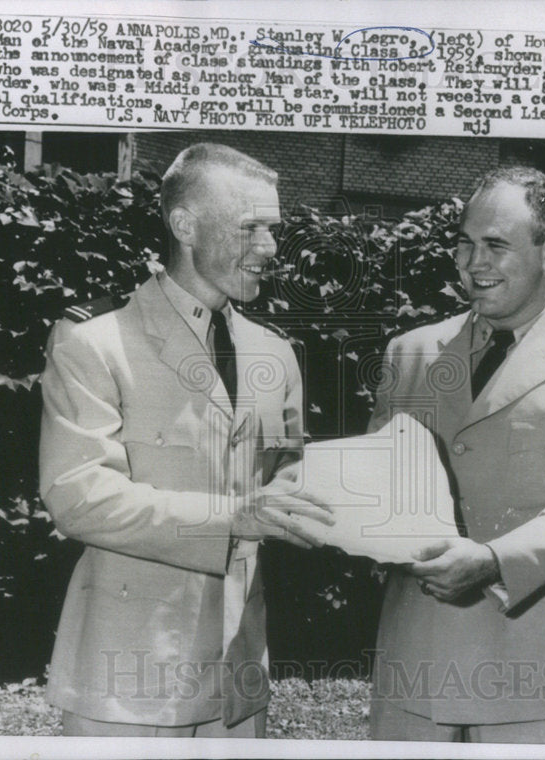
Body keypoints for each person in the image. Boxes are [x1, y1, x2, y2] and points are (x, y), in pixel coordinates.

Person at [38, 143, 331, 737]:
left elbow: (287, 474)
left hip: (238, 682)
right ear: (185, 225)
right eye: (251, 227)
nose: (271, 249)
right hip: (129, 682)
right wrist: (236, 517)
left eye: (273, 229)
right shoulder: (95, 340)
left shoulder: (275, 352)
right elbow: (77, 495)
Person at [366, 166, 545, 744]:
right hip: (416, 671)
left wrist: (493, 559)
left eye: (496, 245)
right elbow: (380, 489)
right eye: (465, 243)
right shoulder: (412, 351)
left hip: (537, 676)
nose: (474, 263)